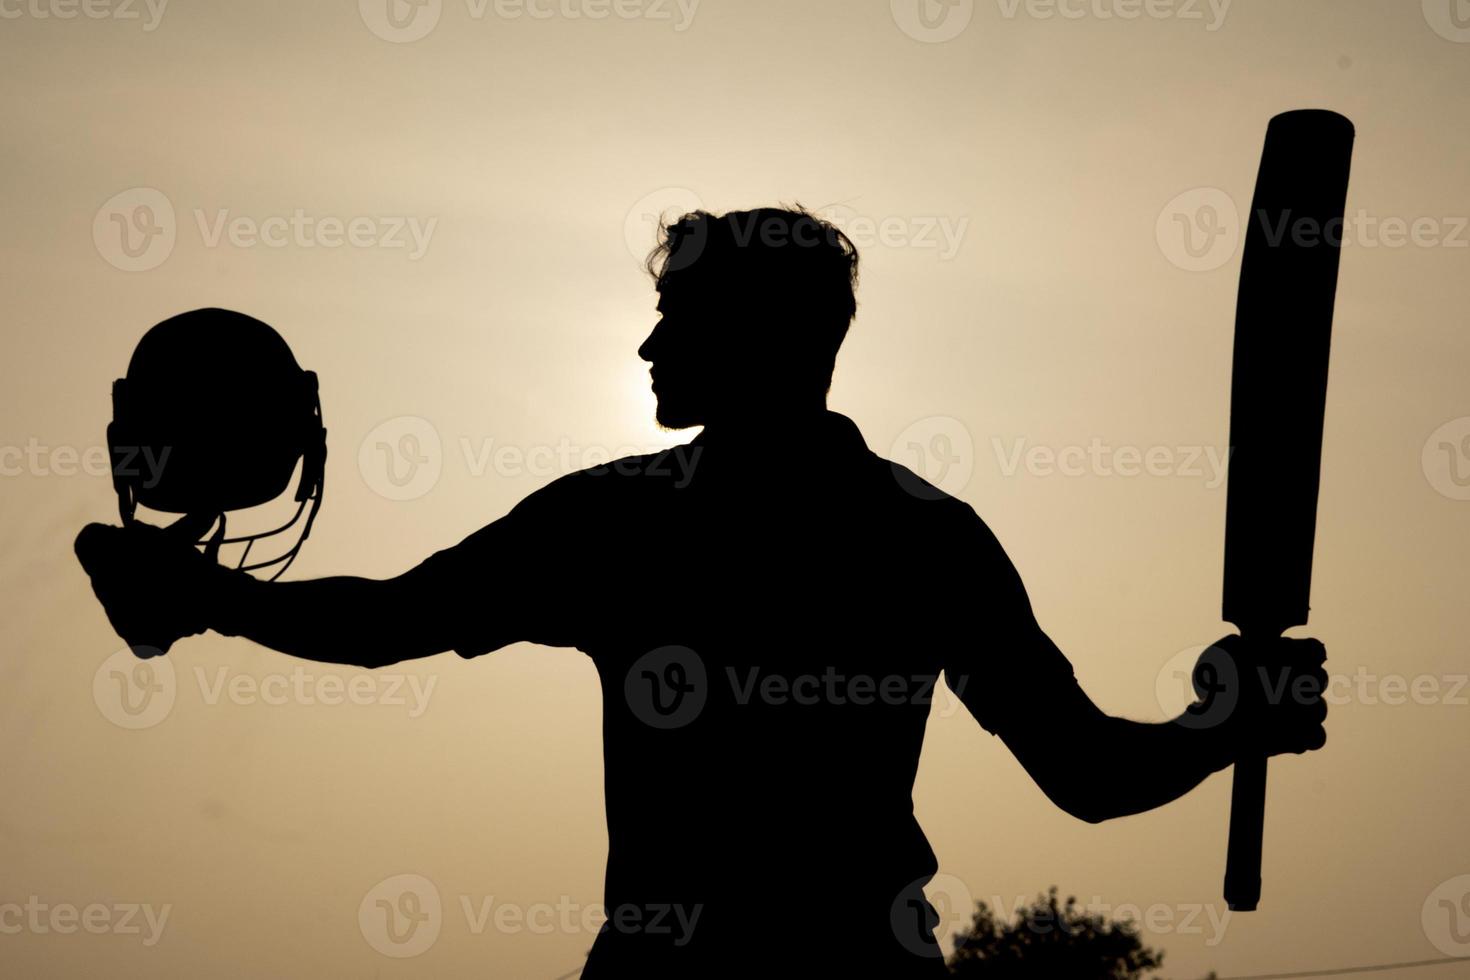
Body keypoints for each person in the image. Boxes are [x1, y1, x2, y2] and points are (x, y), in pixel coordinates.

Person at [76, 207, 1328, 978]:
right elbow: (1093, 773)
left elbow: (388, 623)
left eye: (674, 317)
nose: (645, 345)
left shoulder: (622, 519)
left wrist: (203, 599)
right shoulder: (927, 537)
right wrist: (1221, 724)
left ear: (757, 340)